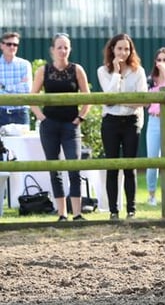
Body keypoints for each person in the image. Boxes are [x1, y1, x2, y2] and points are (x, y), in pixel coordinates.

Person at [29, 33, 91, 222]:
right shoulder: (43, 70)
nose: (63, 51)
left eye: (66, 47)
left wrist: (80, 117)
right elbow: (32, 97)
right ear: (52, 50)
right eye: (59, 47)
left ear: (70, 49)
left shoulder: (76, 69)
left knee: (74, 166)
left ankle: (77, 213)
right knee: (54, 168)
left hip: (71, 126)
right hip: (50, 126)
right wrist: (41, 117)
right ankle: (62, 213)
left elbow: (88, 96)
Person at [97, 33, 148, 220]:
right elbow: (109, 97)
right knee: (112, 166)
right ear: (112, 49)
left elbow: (142, 100)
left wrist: (122, 102)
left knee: (129, 166)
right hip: (110, 122)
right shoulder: (103, 71)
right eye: (119, 48)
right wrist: (117, 73)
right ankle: (113, 210)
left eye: (127, 49)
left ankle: (131, 209)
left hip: (131, 122)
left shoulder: (138, 71)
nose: (123, 52)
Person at [145, 47, 165, 206]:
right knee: (152, 159)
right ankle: (151, 195)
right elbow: (145, 101)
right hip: (154, 120)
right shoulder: (150, 79)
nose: (162, 63)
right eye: (159, 60)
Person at [0, 31, 33, 129]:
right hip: (1, 111)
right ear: (1, 45)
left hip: (20, 112)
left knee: (23, 144)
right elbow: (21, 89)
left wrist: (4, 86)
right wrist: (18, 86)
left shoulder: (25, 64)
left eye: (15, 44)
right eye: (9, 44)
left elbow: (27, 89)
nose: (12, 47)